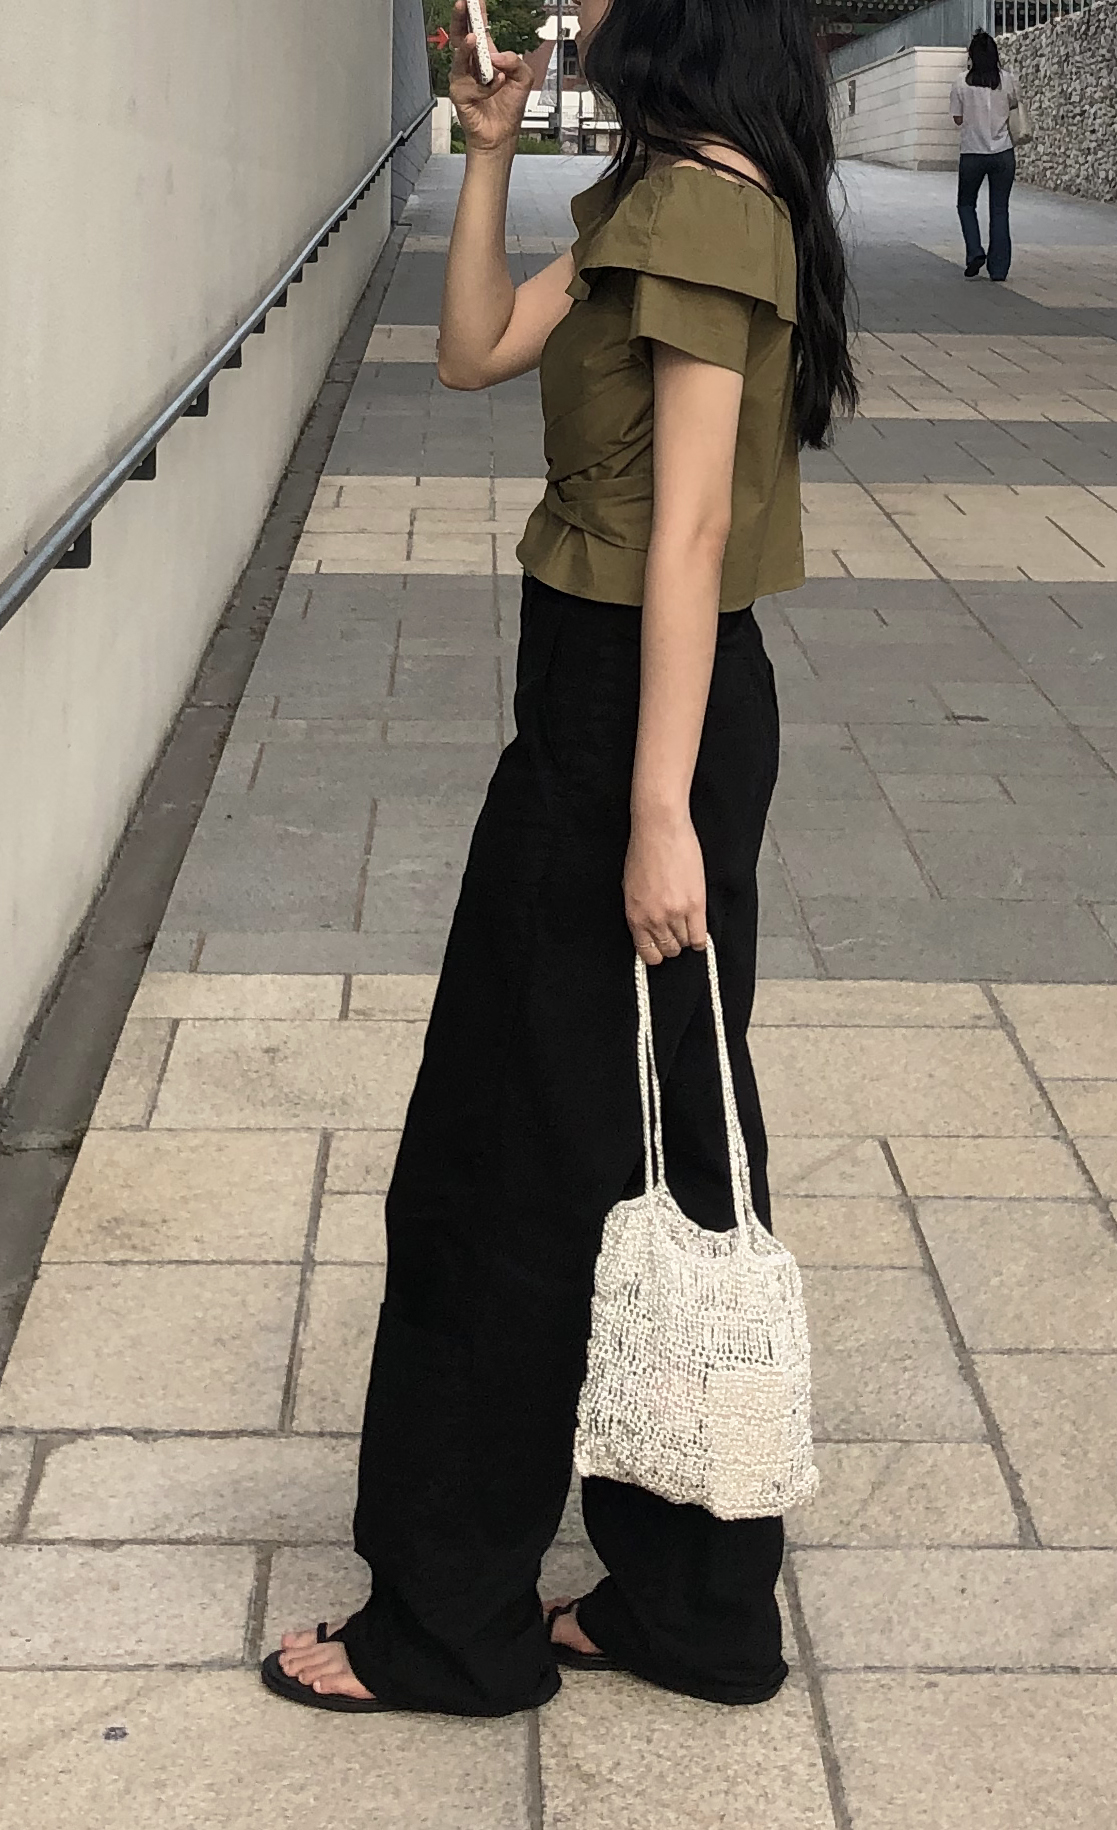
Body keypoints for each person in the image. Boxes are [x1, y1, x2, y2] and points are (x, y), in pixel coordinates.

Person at [264, 0, 855, 1716]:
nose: (569, 6)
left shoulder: (699, 204)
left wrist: (652, 809)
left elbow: (687, 529)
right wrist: (487, 151)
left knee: (504, 1151)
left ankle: (449, 1619)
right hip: (640, 712)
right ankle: (690, 1600)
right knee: (659, 1134)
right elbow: (469, 350)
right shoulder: (674, 192)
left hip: (626, 724)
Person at [950, 29, 1020, 281]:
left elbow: (957, 119)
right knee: (999, 209)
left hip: (972, 153)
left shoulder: (961, 82)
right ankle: (999, 269)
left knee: (966, 204)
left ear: (971, 55)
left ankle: (975, 251)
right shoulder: (1007, 80)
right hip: (1003, 152)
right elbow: (1014, 107)